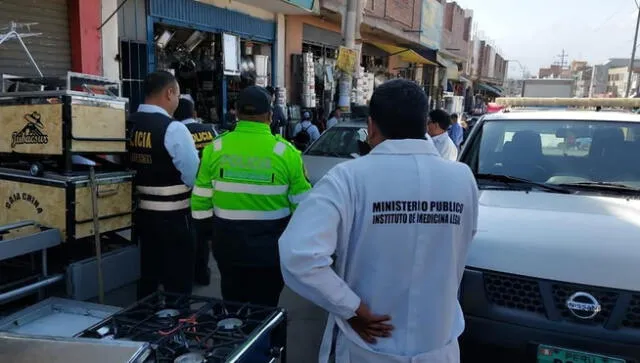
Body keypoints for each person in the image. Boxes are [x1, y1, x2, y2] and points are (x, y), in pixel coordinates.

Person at [279, 79, 479, 363]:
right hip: (437, 344)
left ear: (371, 126)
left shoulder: (348, 177)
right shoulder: (462, 179)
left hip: (368, 344)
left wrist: (351, 308)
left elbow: (298, 255)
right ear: (425, 124)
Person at [191, 85, 312, 307]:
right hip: (270, 253)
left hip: (227, 249)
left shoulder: (215, 148)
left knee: (233, 308)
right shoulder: (287, 153)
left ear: (236, 113)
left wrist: (211, 237)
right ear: (270, 116)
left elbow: (199, 202)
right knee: (265, 311)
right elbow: (304, 209)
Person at [128, 71, 200, 298]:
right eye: (177, 94)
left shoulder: (128, 123)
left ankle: (142, 327)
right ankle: (177, 329)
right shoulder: (173, 128)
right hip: (175, 221)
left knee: (148, 278)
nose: (178, 101)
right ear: (169, 93)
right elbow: (193, 175)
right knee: (177, 284)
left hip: (140, 219)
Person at [173, 97, 217, 286]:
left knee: (187, 236)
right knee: (203, 235)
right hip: (209, 190)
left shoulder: (176, 132)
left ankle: (187, 273)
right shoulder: (210, 130)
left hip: (184, 191)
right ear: (194, 113)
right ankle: (202, 273)